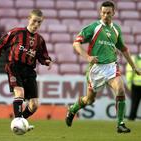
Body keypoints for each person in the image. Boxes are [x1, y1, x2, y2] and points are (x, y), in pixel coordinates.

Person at [65, 0, 141, 133]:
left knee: (121, 90)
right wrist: (87, 57)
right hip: (96, 69)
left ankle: (120, 124)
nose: (106, 15)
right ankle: (72, 110)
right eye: (103, 12)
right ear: (100, 13)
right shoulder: (93, 27)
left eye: (109, 13)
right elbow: (76, 43)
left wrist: (134, 66)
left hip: (111, 67)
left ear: (114, 13)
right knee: (89, 100)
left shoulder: (116, 29)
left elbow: (123, 49)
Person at [0, 9, 53, 130]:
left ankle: (20, 123)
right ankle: (19, 123)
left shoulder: (40, 40)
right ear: (28, 18)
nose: (36, 25)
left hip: (29, 71)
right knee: (20, 93)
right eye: (34, 21)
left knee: (34, 105)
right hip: (14, 66)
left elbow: (42, 55)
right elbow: (2, 42)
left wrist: (47, 61)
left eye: (39, 22)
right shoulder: (17, 32)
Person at [126, 53, 141, 121]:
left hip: (135, 85)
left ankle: (131, 119)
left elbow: (129, 72)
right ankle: (131, 118)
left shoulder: (134, 59)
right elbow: (129, 72)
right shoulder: (133, 59)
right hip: (135, 86)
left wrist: (129, 85)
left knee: (134, 104)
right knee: (134, 104)